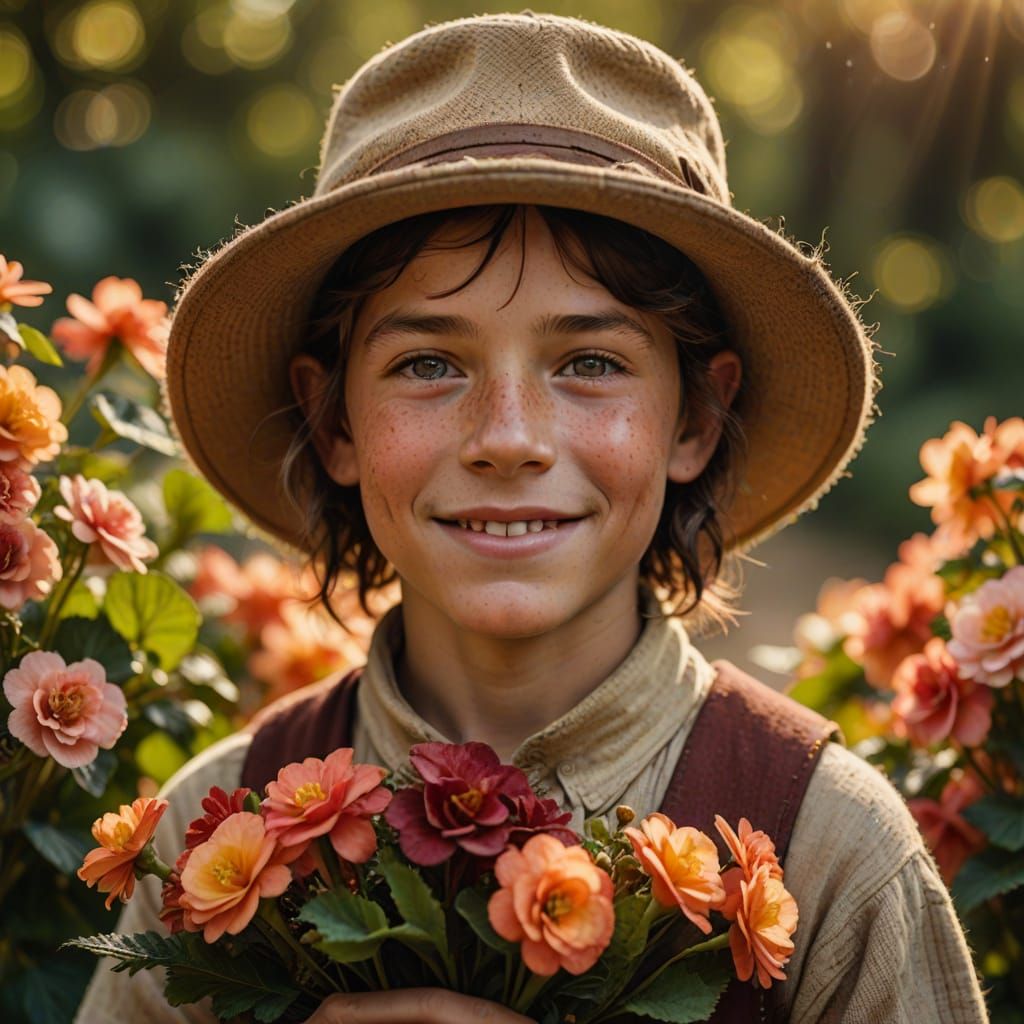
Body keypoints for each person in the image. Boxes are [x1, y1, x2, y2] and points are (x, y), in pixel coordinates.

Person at [75, 11, 989, 1024]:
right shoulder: (208, 846)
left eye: (589, 362)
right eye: (428, 363)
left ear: (698, 415)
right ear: (332, 418)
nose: (507, 438)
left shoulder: (834, 854)